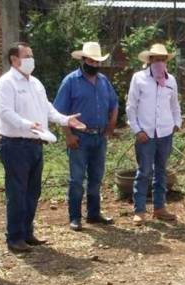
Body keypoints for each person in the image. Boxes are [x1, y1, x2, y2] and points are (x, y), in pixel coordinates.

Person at [0, 42, 85, 252]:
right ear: (14, 60)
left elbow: (47, 108)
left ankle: (26, 232)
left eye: (31, 55)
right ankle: (14, 237)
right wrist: (27, 125)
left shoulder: (35, 83)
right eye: (27, 56)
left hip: (35, 144)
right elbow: (5, 112)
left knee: (32, 191)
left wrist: (65, 120)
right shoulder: (5, 83)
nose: (31, 59)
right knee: (17, 192)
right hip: (15, 145)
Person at [53, 42, 118, 231]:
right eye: (91, 60)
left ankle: (94, 213)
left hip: (99, 137)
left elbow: (114, 104)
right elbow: (60, 112)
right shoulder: (70, 81)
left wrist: (110, 127)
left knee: (96, 177)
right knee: (77, 179)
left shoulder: (104, 81)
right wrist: (68, 136)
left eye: (97, 61)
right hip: (79, 137)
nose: (95, 64)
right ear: (83, 60)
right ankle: (75, 217)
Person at [126, 44, 182, 226]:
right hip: (146, 134)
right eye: (156, 59)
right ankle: (140, 210)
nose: (159, 62)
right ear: (149, 60)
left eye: (162, 59)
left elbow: (175, 105)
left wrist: (176, 124)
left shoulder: (171, 80)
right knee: (144, 172)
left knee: (161, 171)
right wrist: (137, 130)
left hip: (165, 132)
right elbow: (131, 106)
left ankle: (159, 208)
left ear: (167, 61)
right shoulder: (139, 78)